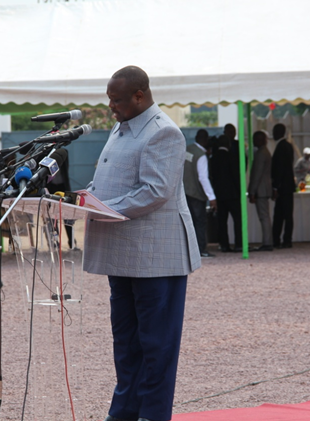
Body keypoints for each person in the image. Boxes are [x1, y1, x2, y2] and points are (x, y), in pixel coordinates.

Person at [83, 66, 200, 421]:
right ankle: (124, 412)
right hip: (123, 253)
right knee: (126, 342)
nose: (111, 106)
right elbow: (111, 181)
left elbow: (155, 191)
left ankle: (153, 414)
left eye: (116, 100)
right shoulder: (122, 128)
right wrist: (83, 199)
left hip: (155, 257)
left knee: (156, 343)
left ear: (139, 95)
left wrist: (102, 209)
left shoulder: (164, 131)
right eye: (109, 99)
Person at [183, 129, 217, 257]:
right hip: (196, 195)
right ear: (206, 140)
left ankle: (190, 251)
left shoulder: (187, 149)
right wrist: (212, 197)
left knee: (189, 223)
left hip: (184, 193)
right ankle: (201, 250)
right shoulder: (201, 155)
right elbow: (203, 178)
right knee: (200, 223)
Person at [210, 135, 242, 252]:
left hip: (219, 194)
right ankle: (239, 244)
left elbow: (211, 177)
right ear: (229, 144)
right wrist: (239, 191)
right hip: (233, 194)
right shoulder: (232, 157)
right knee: (238, 220)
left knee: (222, 221)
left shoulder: (213, 158)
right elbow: (236, 176)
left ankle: (224, 245)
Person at [271, 123, 296, 249]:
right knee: (287, 214)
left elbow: (279, 169)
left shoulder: (280, 147)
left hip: (282, 187)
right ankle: (286, 239)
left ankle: (279, 239)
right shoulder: (288, 146)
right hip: (288, 186)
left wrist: (275, 187)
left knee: (280, 215)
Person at [248, 131, 273, 251]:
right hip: (264, 188)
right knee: (265, 216)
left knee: (264, 217)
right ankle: (267, 241)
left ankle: (267, 242)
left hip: (261, 189)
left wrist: (252, 191)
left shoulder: (261, 154)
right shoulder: (264, 152)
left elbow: (257, 175)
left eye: (255, 139)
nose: (253, 141)